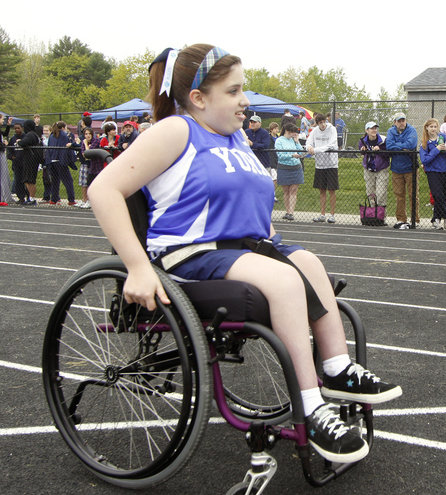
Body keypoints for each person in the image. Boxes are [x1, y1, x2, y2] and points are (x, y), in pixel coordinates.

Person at [87, 44, 401, 464]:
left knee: (308, 262)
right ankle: (311, 406)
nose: (245, 100)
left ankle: (337, 369)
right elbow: (103, 189)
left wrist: (273, 243)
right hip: (189, 254)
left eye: (243, 90)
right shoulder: (176, 131)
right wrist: (137, 268)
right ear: (199, 98)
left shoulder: (235, 138)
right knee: (286, 280)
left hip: (240, 248)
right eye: (233, 91)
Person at [386, 113, 419, 229]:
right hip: (396, 168)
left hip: (410, 168)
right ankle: (401, 219)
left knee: (413, 194)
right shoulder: (391, 131)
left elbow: (411, 144)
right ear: (395, 122)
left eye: (403, 120)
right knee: (399, 196)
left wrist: (397, 146)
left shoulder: (411, 130)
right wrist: (402, 147)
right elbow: (389, 145)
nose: (401, 123)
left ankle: (415, 219)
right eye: (399, 121)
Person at [306, 113, 340, 223]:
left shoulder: (332, 129)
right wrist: (309, 147)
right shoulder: (315, 131)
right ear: (317, 123)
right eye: (320, 123)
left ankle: (332, 215)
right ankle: (322, 214)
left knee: (331, 190)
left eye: (324, 122)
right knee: (322, 190)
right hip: (320, 165)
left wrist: (315, 150)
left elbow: (331, 145)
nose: (322, 124)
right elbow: (308, 142)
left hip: (331, 164)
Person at [419, 118, 446, 229]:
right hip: (432, 171)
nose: (433, 129)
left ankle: (436, 219)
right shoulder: (425, 142)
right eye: (431, 126)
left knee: (443, 196)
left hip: (444, 170)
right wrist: (436, 149)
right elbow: (424, 160)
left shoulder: (443, 138)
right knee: (437, 195)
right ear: (427, 128)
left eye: (435, 126)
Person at [274, 123, 305, 221]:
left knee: (293, 190)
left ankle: (291, 212)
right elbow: (280, 155)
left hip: (296, 167)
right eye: (293, 133)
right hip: (284, 167)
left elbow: (301, 152)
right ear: (288, 131)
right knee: (286, 191)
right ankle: (287, 211)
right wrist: (291, 155)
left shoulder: (294, 140)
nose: (294, 134)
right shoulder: (279, 141)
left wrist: (297, 142)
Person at [46, 121, 79, 206]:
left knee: (55, 181)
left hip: (52, 161)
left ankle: (54, 199)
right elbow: (67, 149)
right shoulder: (64, 135)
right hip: (61, 161)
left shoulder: (52, 135)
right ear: (63, 127)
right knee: (68, 181)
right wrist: (71, 161)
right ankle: (71, 200)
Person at [358, 121, 390, 209]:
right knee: (370, 193)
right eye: (372, 128)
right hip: (369, 169)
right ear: (367, 130)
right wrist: (363, 150)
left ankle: (381, 216)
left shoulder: (383, 140)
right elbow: (361, 152)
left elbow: (388, 154)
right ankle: (372, 215)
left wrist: (380, 149)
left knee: (381, 193)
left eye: (375, 128)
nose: (374, 130)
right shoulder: (363, 140)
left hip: (381, 168)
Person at [77, 127, 102, 208]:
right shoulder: (84, 142)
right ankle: (87, 201)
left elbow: (88, 153)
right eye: (86, 134)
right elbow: (85, 155)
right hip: (91, 166)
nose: (87, 136)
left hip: (97, 165)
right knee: (88, 183)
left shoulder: (96, 141)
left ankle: (97, 201)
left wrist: (86, 145)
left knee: (96, 184)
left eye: (89, 134)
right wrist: (85, 145)